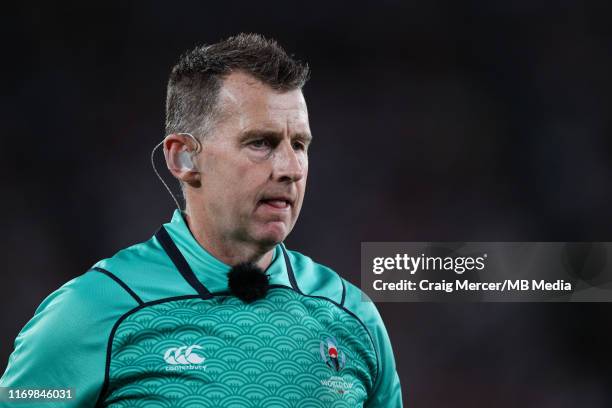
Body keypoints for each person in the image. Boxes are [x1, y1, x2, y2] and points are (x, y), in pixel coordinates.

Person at [0, 33, 403, 407]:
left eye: (299, 144)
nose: (290, 168)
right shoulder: (91, 312)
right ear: (183, 157)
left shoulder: (352, 314)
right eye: (261, 143)